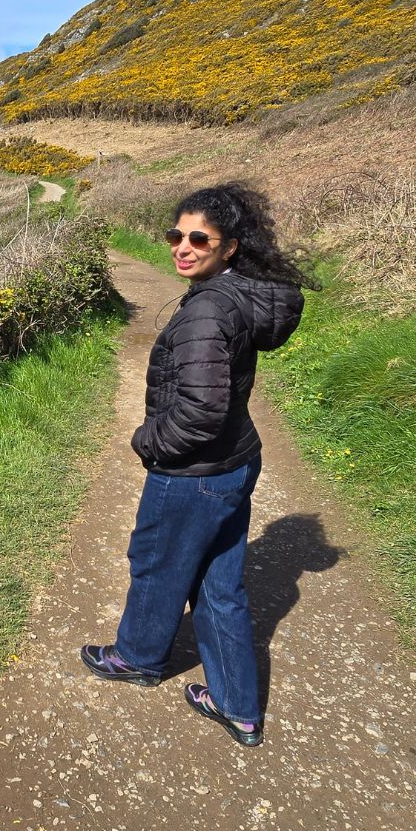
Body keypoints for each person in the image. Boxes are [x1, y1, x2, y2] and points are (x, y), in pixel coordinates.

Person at [81, 182, 312, 747]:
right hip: (236, 462)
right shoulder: (235, 294)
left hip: (196, 475)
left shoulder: (209, 309)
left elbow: (201, 412)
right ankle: (238, 706)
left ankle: (136, 656)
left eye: (198, 238)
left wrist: (148, 441)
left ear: (229, 246)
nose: (182, 247)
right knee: (220, 585)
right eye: (175, 236)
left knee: (158, 564)